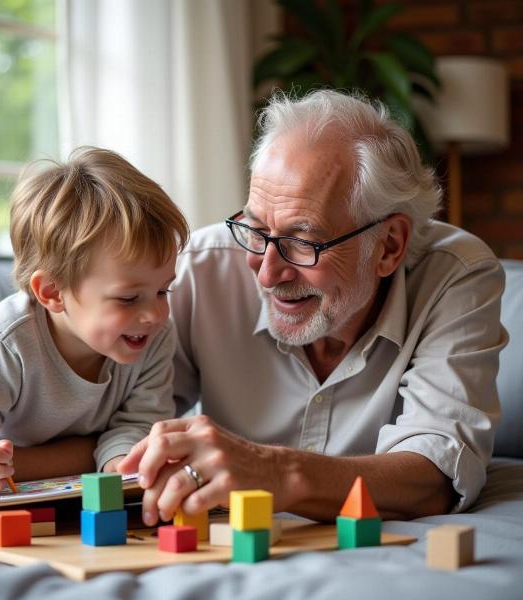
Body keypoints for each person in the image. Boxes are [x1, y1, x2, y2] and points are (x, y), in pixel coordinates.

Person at [118, 90, 508, 526]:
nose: (266, 273)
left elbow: (437, 474)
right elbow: (118, 419)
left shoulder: (456, 276)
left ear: (389, 245)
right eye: (256, 229)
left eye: (302, 242)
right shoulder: (198, 271)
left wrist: (275, 472)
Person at [0, 147, 188, 498]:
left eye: (163, 290)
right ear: (51, 292)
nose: (155, 314)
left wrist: (121, 464)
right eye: (128, 298)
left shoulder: (152, 337)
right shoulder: (4, 343)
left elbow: (138, 422)